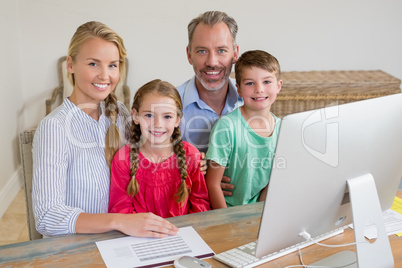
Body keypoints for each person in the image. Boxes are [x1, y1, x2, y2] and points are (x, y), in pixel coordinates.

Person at [32, 21, 178, 238]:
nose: (105, 75)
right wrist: (120, 221)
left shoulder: (121, 114)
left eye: (112, 65)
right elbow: (47, 217)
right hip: (75, 248)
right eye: (93, 64)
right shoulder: (54, 127)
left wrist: (190, 160)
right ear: (70, 65)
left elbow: (148, 156)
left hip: (120, 241)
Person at [108, 79, 210, 217]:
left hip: (181, 234)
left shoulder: (190, 155)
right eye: (149, 115)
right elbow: (120, 209)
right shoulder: (123, 160)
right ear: (135, 116)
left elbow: (200, 204)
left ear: (177, 120)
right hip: (138, 236)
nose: (158, 124)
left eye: (167, 116)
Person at [205, 50, 283, 209]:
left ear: (278, 86)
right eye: (250, 83)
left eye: (267, 82)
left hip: (260, 213)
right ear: (239, 89)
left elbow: (272, 183)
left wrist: (260, 217)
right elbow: (212, 184)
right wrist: (226, 222)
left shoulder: (283, 129)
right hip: (226, 212)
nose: (259, 89)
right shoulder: (226, 127)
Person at [177, 10, 243, 196]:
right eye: (202, 51)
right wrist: (199, 181)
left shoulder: (253, 99)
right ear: (189, 55)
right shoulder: (168, 107)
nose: (212, 62)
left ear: (235, 53)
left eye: (221, 50)